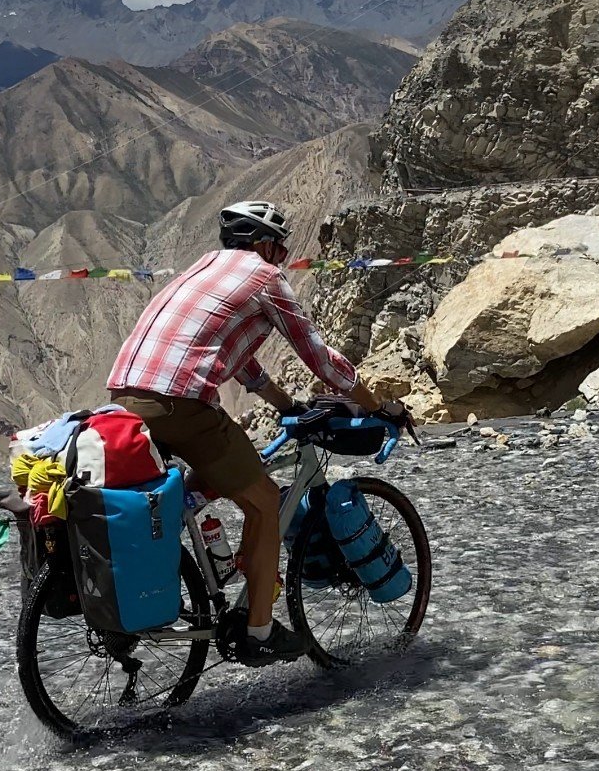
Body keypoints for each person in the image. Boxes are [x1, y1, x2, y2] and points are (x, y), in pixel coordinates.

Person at [107, 200, 409, 667]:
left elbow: (239, 359)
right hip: (179, 403)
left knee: (193, 489)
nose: (283, 257)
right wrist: (374, 404)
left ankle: (201, 577)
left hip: (124, 398)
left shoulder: (203, 270)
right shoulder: (264, 277)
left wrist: (288, 406)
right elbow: (319, 356)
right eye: (282, 248)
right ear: (266, 243)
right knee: (265, 502)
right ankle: (259, 632)